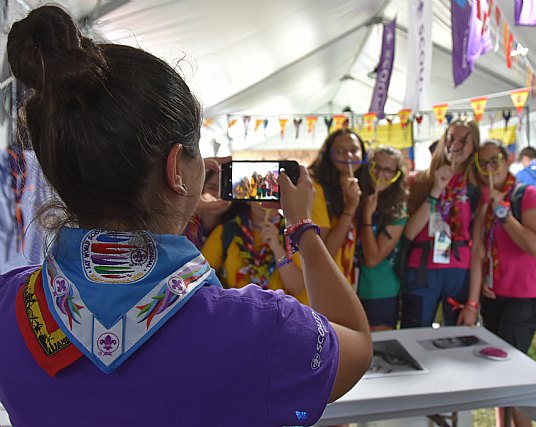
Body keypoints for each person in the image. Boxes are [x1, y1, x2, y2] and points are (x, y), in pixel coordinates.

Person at [0, 6, 371, 426]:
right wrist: (302, 227)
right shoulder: (262, 329)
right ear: (176, 167)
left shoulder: (7, 305)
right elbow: (354, 342)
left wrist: (179, 183)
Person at [469, 141, 536, 427]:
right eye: (483, 163)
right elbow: (479, 250)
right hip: (494, 296)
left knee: (511, 372)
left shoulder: (527, 195)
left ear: (507, 161)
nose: (490, 168)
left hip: (525, 296)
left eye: (495, 161)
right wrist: (475, 297)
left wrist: (503, 213)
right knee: (497, 371)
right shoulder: (482, 201)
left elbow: (535, 246)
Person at [401, 117, 480, 328]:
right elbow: (410, 232)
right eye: (451, 138)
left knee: (458, 339)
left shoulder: (476, 187)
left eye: (464, 140)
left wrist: (473, 301)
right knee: (414, 334)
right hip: (422, 269)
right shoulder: (419, 181)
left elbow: (479, 241)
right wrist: (436, 189)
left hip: (459, 271)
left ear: (474, 147)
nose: (455, 145)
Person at [201, 201, 309, 304]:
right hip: (237, 309)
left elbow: (297, 287)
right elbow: (202, 278)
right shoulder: (227, 231)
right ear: (248, 199)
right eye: (258, 194)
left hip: (278, 313)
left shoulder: (292, 234)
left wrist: (276, 248)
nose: (264, 201)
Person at [358, 146, 408, 330]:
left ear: (397, 174)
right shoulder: (356, 197)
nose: (380, 174)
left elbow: (372, 259)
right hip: (351, 287)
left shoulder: (398, 210)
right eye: (376, 167)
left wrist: (367, 218)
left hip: (379, 291)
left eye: (388, 170)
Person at [309, 128, 365, 285]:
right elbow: (327, 251)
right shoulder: (317, 189)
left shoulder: (364, 187)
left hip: (346, 280)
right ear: (329, 156)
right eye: (340, 151)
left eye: (354, 150)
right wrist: (350, 208)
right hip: (323, 283)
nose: (348, 156)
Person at [183, 167, 231, 249]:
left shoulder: (235, 228)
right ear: (202, 188)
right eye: (212, 188)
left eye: (226, 189)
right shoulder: (184, 220)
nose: (218, 195)